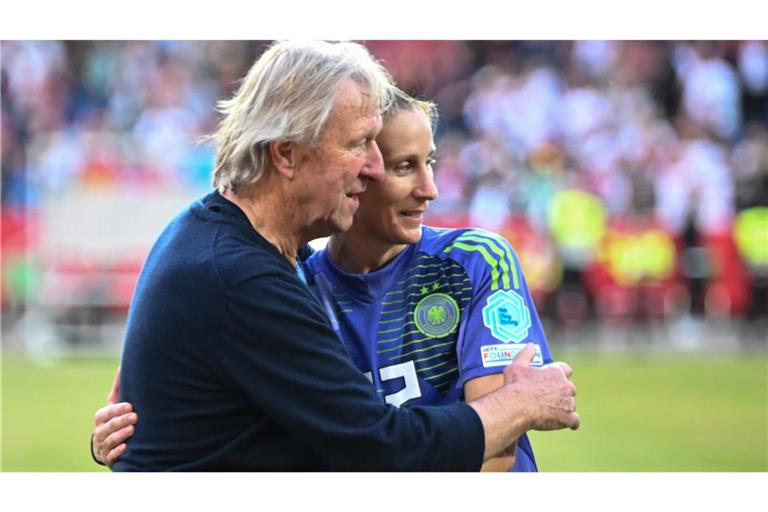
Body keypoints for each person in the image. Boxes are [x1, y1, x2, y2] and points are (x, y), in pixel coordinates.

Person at [92, 40, 580, 471]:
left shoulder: (226, 244)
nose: (373, 167)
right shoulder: (244, 279)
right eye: (358, 145)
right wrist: (522, 402)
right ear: (287, 155)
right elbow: (383, 451)